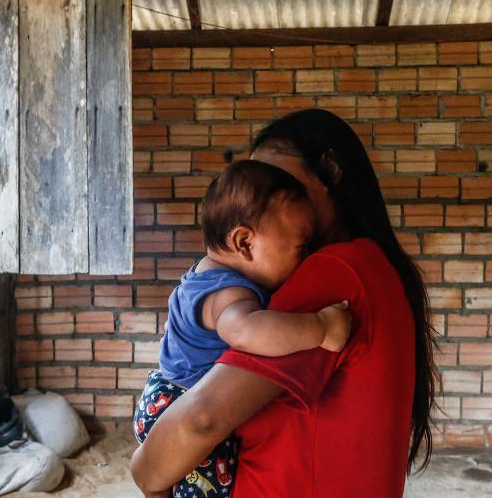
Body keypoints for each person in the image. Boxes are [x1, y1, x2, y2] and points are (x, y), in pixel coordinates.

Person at [130, 109, 438, 497]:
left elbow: (201, 419)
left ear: (329, 172)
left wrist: (143, 472)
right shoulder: (373, 264)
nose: (261, 196)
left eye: (278, 181)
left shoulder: (332, 273)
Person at [133, 160, 352, 497]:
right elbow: (246, 332)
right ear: (245, 243)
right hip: (180, 408)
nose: (307, 258)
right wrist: (320, 327)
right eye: (302, 247)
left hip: (165, 401)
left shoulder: (207, 274)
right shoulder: (229, 293)